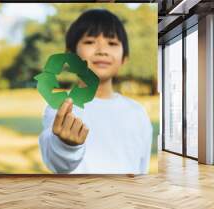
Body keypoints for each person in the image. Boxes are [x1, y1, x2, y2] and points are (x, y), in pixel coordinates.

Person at [38, 9, 153, 174]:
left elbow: (142, 169)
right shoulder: (60, 108)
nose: (102, 50)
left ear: (124, 58)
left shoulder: (137, 112)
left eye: (112, 43)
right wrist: (66, 146)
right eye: (90, 41)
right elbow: (57, 163)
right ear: (71, 56)